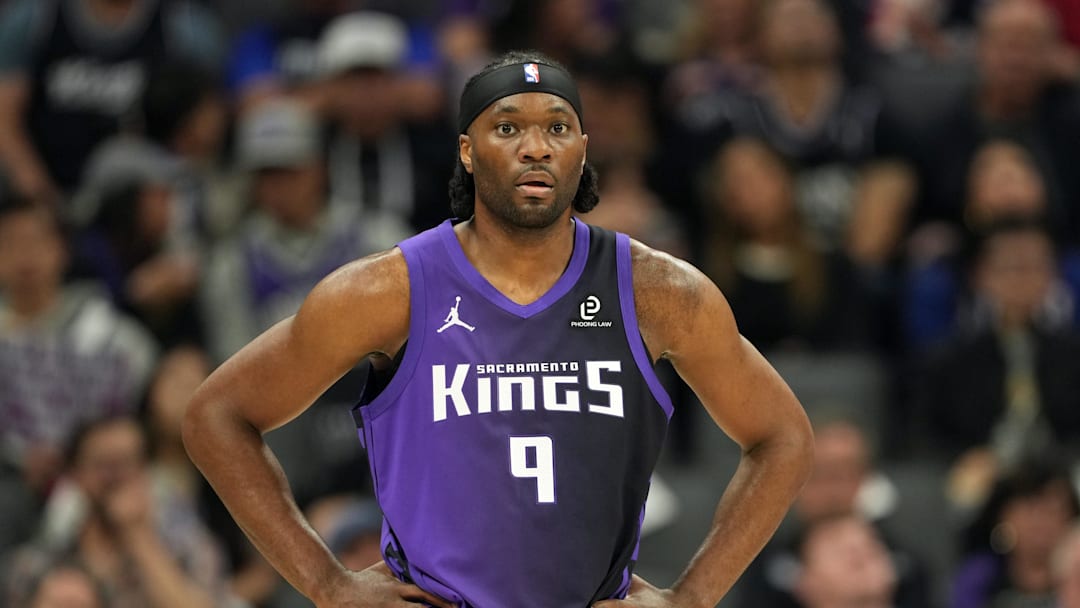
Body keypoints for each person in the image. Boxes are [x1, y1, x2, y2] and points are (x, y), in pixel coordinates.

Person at [183, 50, 814, 607]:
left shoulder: (659, 293)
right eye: (508, 127)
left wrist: (693, 597)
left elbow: (783, 436)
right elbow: (217, 415)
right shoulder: (386, 292)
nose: (535, 147)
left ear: (582, 150)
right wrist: (327, 584)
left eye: (557, 128)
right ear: (466, 148)